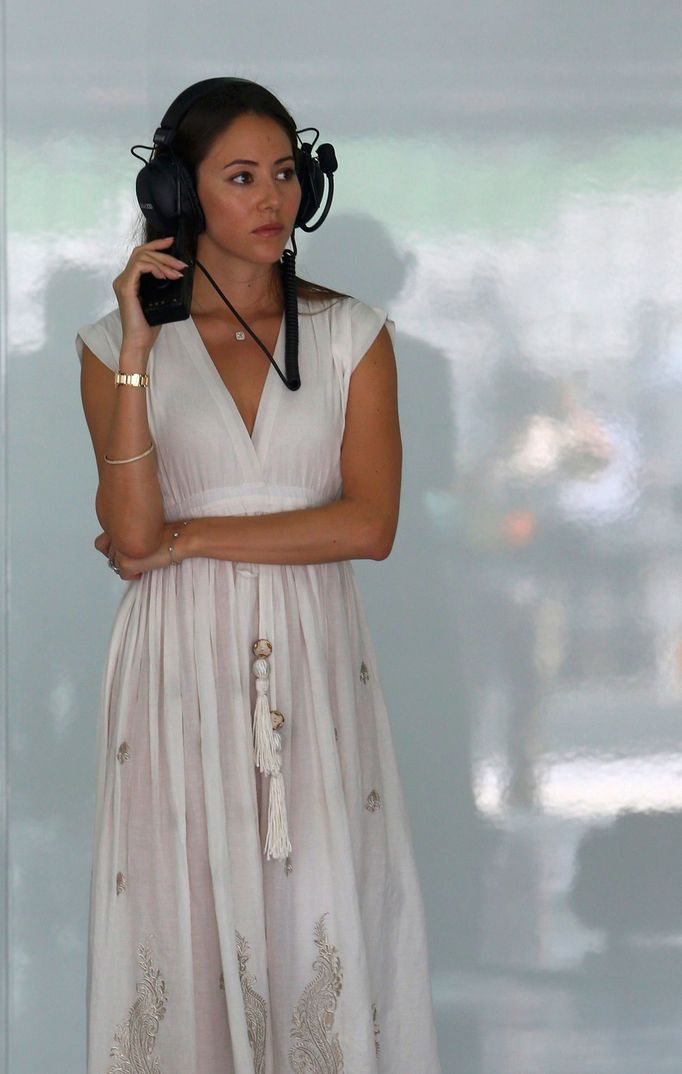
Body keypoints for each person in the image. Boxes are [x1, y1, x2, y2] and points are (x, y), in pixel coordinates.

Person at [77, 77, 442, 1074]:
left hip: (311, 656)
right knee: (181, 910)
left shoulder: (352, 336)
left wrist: (194, 543)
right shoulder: (112, 348)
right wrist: (141, 352)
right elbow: (133, 528)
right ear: (180, 197)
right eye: (241, 177)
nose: (273, 198)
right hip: (175, 669)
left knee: (313, 905)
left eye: (285, 173)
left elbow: (369, 525)